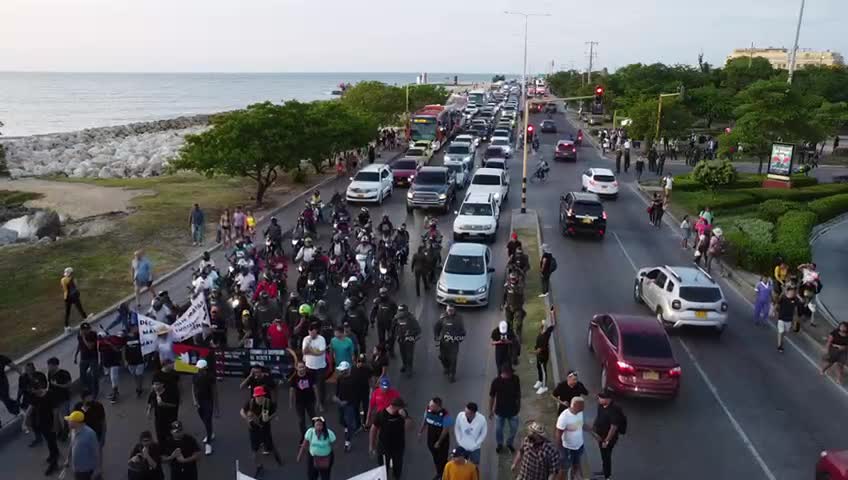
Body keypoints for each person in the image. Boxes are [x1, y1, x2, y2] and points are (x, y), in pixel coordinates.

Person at [241, 386, 282, 476]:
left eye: (261, 396)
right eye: (257, 396)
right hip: (253, 429)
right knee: (255, 449)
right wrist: (247, 418)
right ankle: (258, 466)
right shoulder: (251, 402)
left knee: (269, 444)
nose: (259, 398)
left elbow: (275, 413)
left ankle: (276, 457)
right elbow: (242, 411)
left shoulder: (268, 403)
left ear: (263, 395)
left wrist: (269, 418)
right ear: (254, 396)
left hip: (265, 428)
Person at [369, 397, 412, 480]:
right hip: (384, 448)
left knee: (398, 469)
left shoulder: (402, 414)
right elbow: (373, 430)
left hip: (398, 448)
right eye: (401, 407)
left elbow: (410, 427)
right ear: (394, 406)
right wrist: (371, 446)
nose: (402, 409)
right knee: (383, 470)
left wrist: (405, 417)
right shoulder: (381, 414)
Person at [418, 397, 454, 479]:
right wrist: (420, 432)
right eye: (430, 405)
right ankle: (440, 472)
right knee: (435, 458)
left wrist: (439, 442)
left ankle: (443, 474)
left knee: (442, 458)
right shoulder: (428, 410)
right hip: (431, 439)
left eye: (432, 406)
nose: (429, 406)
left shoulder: (445, 415)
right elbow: (425, 420)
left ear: (438, 406)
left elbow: (445, 430)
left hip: (442, 441)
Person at [556, 397, 591, 480]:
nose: (583, 407)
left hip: (579, 446)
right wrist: (561, 451)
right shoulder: (564, 417)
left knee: (576, 464)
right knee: (564, 469)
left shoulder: (580, 413)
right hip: (567, 448)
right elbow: (558, 434)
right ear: (574, 406)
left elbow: (580, 424)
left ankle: (575, 477)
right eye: (581, 406)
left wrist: (591, 430)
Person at [30, 382, 61, 475]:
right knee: (49, 441)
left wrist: (55, 425)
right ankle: (54, 454)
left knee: (51, 442)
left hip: (50, 423)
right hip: (41, 423)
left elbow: (55, 411)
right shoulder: (35, 396)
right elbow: (32, 407)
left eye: (36, 392)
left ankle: (54, 463)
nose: (35, 394)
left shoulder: (50, 395)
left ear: (39, 388)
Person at [489, 364, 521, 454]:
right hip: (500, 411)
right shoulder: (496, 382)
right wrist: (491, 410)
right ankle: (500, 444)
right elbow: (492, 397)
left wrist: (519, 407)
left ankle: (509, 443)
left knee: (514, 429)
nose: (511, 374)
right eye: (510, 373)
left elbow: (518, 394)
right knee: (498, 430)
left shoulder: (515, 379)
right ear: (505, 373)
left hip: (513, 411)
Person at [593, 390, 624, 480]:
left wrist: (607, 440)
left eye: (601, 398)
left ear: (608, 399)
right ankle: (604, 470)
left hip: (608, 437)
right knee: (603, 454)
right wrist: (594, 426)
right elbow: (598, 416)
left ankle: (607, 476)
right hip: (600, 435)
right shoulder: (601, 405)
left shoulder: (614, 410)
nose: (598, 399)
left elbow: (613, 427)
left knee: (606, 456)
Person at [64, 410, 100, 480]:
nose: (67, 422)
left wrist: (97, 469)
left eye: (69, 421)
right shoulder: (73, 430)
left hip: (86, 470)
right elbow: (71, 444)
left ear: (75, 423)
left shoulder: (90, 434)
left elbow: (96, 452)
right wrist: (68, 459)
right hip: (76, 468)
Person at [289, 361, 321, 441]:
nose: (301, 369)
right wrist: (291, 402)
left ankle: (317, 433)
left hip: (310, 401)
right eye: (300, 367)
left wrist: (318, 401)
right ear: (296, 368)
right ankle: (304, 436)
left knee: (314, 418)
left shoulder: (310, 376)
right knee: (301, 420)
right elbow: (291, 391)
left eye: (303, 367)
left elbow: (315, 388)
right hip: (299, 402)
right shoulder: (294, 378)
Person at [191, 359, 217, 455]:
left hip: (208, 401)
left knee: (208, 420)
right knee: (204, 419)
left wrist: (217, 408)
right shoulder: (195, 376)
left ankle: (208, 444)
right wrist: (194, 400)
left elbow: (214, 391)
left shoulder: (210, 377)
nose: (199, 370)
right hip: (199, 402)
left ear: (205, 368)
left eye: (201, 369)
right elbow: (193, 388)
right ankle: (209, 432)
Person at [434, 305, 466, 383]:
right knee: (442, 357)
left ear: (454, 310)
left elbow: (463, 331)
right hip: (443, 343)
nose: (450, 312)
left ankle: (452, 374)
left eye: (452, 310)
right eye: (449, 310)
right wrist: (436, 336)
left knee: (453, 359)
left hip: (454, 343)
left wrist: (460, 336)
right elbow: (436, 328)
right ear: (446, 310)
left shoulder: (459, 319)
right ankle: (446, 367)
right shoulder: (442, 318)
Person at [298, 416, 336, 480]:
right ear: (314, 426)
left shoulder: (329, 433)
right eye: (317, 425)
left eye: (320, 425)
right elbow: (304, 444)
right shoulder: (310, 432)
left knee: (325, 477)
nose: (318, 426)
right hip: (313, 458)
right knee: (312, 476)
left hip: (325, 459)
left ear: (323, 426)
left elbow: (333, 444)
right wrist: (299, 455)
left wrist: (328, 454)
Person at [332, 361, 358, 451]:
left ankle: (348, 442)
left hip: (349, 405)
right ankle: (347, 427)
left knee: (349, 422)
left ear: (347, 370)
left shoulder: (353, 381)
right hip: (340, 403)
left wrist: (346, 402)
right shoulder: (339, 379)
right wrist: (336, 398)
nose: (341, 372)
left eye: (342, 370)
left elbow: (355, 395)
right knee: (341, 420)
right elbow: (338, 391)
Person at [302, 323, 328, 407]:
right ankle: (311, 400)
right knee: (309, 384)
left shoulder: (321, 339)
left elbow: (320, 352)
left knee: (320, 386)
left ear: (316, 331)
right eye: (309, 332)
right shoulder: (306, 339)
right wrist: (309, 344)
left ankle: (321, 403)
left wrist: (311, 351)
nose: (311, 334)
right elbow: (304, 351)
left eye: (312, 332)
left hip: (320, 367)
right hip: (309, 366)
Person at [147, 380, 179, 446]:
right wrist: (149, 411)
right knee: (159, 434)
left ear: (162, 384)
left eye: (157, 384)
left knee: (170, 434)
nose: (155, 386)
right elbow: (150, 402)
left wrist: (163, 404)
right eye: (154, 384)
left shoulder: (169, 393)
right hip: (158, 418)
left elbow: (174, 405)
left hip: (169, 418)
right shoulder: (153, 393)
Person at [47, 357, 72, 440]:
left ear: (55, 365)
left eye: (50, 365)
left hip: (64, 398)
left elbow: (68, 385)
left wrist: (57, 385)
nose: (48, 367)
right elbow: (50, 386)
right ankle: (59, 432)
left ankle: (66, 431)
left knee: (65, 416)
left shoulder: (64, 373)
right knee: (56, 416)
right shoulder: (50, 373)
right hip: (54, 399)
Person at [393, 304, 422, 376]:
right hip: (400, 339)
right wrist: (394, 336)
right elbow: (393, 328)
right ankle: (404, 365)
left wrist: (411, 334)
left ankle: (409, 368)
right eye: (400, 311)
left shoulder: (411, 318)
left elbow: (418, 330)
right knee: (403, 353)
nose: (401, 312)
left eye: (402, 311)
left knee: (409, 355)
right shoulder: (396, 318)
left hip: (409, 339)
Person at [533, 308, 556, 395]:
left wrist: (535, 352)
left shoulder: (544, 337)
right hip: (539, 355)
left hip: (543, 356)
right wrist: (552, 314)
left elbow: (540, 349)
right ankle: (539, 380)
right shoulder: (547, 332)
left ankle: (544, 386)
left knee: (543, 370)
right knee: (538, 367)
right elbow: (553, 324)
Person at [74, 322, 100, 399]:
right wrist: (76, 355)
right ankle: (89, 389)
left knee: (94, 375)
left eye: (87, 329)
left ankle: (95, 392)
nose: (86, 331)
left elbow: (90, 347)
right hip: (84, 358)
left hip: (93, 358)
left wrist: (83, 337)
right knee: (82, 375)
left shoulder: (93, 334)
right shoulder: (79, 335)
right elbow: (80, 345)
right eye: (84, 330)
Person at [370, 287, 398, 355]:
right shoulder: (377, 301)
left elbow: (396, 312)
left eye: (384, 293)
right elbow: (374, 311)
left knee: (391, 338)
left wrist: (395, 321)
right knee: (381, 339)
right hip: (380, 324)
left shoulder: (391, 302)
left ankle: (391, 350)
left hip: (389, 323)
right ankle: (382, 351)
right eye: (381, 293)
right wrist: (372, 320)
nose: (383, 295)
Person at [0, 353, 21, 425]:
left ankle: (16, 408)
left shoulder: (1, 358)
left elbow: (14, 366)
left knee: (5, 398)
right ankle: (17, 406)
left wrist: (23, 375)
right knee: (4, 398)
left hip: (2, 383)